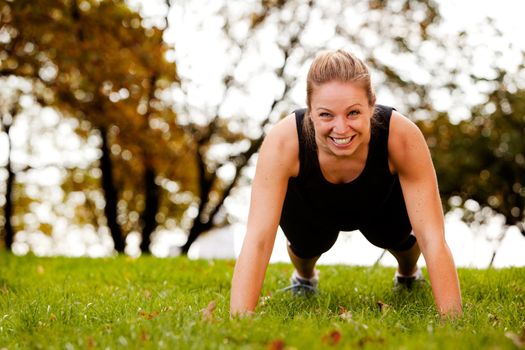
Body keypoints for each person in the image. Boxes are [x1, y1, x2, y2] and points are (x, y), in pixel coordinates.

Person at [230, 49, 462, 318]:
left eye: (353, 113)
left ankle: (408, 274)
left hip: (381, 206)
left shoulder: (401, 136)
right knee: (307, 246)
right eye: (327, 115)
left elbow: (432, 237)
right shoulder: (283, 142)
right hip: (313, 210)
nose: (341, 129)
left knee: (397, 238)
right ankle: (305, 279)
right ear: (310, 111)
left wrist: (453, 322)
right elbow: (258, 238)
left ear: (371, 105)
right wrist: (239, 324)